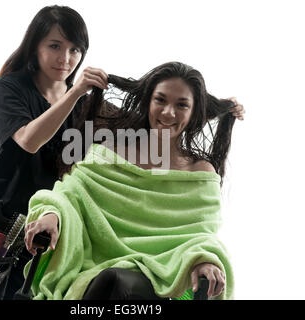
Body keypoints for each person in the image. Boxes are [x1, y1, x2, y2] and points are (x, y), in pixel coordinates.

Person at [0, 5, 108, 300]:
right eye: (55, 46)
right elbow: (28, 140)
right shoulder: (10, 88)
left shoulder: (87, 107)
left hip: (38, 225)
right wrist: (74, 93)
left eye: (75, 49)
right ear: (34, 46)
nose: (66, 59)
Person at [23, 61, 238, 300]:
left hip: (167, 277)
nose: (168, 112)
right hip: (94, 272)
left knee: (115, 282)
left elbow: (202, 235)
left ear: (194, 112)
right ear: (148, 102)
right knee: (112, 280)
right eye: (160, 100)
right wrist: (53, 214)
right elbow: (69, 196)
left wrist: (203, 260)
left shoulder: (200, 172)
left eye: (182, 105)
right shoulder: (108, 151)